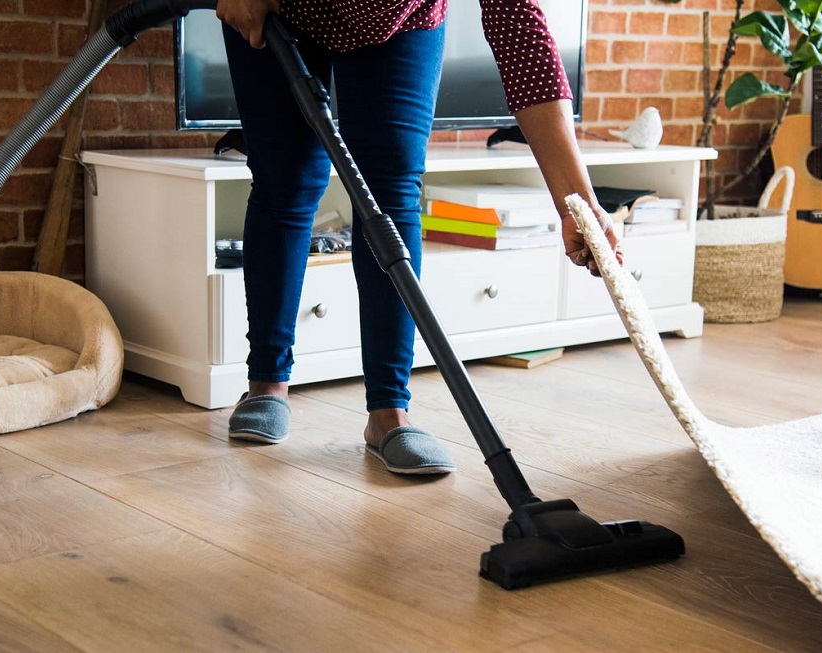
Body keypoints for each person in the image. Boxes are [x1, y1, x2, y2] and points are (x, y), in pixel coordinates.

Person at [215, 0, 622, 475]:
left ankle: (389, 411)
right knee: (285, 180)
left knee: (389, 192)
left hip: (399, 20)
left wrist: (578, 202)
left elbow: (523, 40)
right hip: (283, 9)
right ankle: (267, 383)